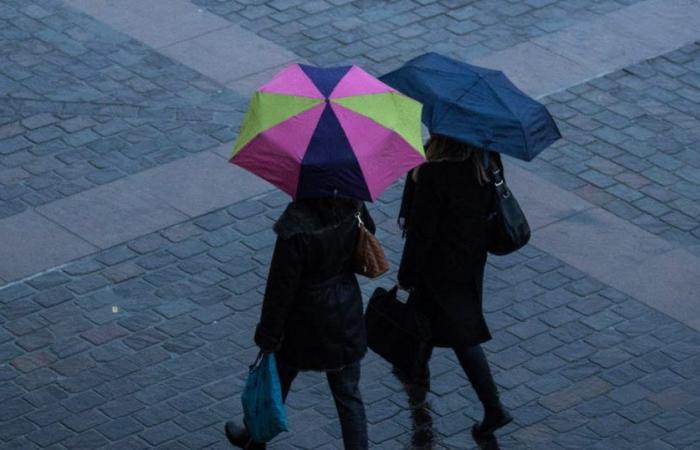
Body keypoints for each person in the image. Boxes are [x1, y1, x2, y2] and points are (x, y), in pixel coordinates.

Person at [226, 197, 375, 450]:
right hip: (345, 310)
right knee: (348, 394)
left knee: (278, 378)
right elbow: (369, 233)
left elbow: (281, 286)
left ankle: (255, 436)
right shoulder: (353, 202)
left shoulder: (296, 223)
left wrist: (268, 335)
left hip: (305, 320)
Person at [397, 134, 513, 440]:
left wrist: (406, 275)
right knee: (429, 319)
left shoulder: (435, 172)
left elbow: (421, 234)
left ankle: (493, 407)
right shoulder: (486, 161)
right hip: (470, 260)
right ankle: (416, 371)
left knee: (461, 335)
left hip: (438, 268)